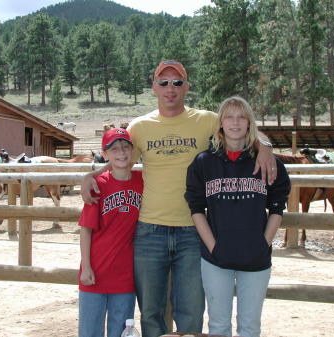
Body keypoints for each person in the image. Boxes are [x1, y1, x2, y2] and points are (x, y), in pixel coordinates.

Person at [81, 60, 277, 337]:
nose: (170, 88)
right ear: (154, 87)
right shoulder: (140, 127)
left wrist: (265, 146)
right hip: (149, 230)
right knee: (151, 311)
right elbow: (119, 158)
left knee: (192, 310)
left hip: (193, 230)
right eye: (163, 83)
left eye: (176, 82)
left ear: (186, 87)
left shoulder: (206, 120)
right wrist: (92, 175)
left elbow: (242, 128)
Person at [184, 96, 291, 337]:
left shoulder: (266, 162)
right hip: (216, 259)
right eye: (229, 116)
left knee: (250, 326)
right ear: (220, 122)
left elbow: (277, 207)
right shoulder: (204, 162)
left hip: (255, 258)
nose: (235, 123)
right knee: (218, 326)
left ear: (250, 122)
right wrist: (213, 247)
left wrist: (263, 244)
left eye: (241, 116)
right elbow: (196, 208)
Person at [78, 128, 143, 337]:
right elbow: (86, 230)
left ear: (133, 151)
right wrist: (86, 267)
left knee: (121, 331)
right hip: (95, 272)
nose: (121, 153)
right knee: (90, 331)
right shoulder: (98, 185)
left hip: (125, 276)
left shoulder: (142, 181)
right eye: (114, 149)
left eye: (125, 147)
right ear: (105, 154)